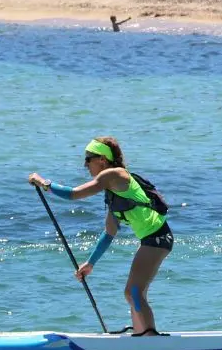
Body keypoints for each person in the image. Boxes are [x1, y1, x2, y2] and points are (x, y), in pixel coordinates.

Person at [28, 137, 172, 336]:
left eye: (89, 159)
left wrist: (45, 183)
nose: (85, 164)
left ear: (102, 159)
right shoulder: (113, 191)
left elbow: (74, 194)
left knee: (134, 292)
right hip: (152, 240)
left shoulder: (115, 175)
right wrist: (90, 263)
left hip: (158, 238)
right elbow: (109, 233)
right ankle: (142, 336)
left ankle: (149, 338)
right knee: (134, 293)